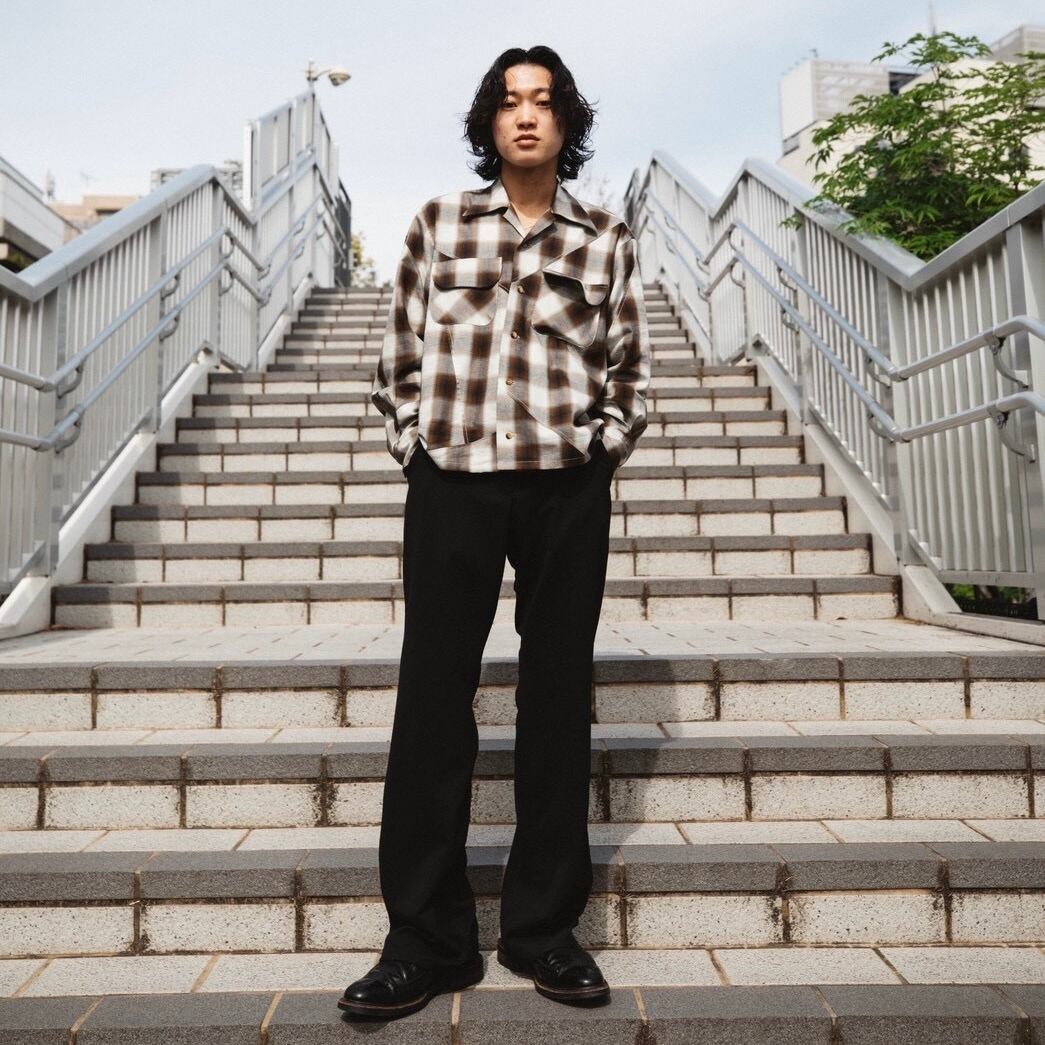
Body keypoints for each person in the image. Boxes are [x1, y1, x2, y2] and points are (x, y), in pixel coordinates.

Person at [339, 44, 650, 1021]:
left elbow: (630, 369)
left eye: (543, 101)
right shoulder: (438, 224)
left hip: (564, 486)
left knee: (556, 699)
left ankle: (542, 931)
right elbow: (395, 355)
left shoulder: (605, 236)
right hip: (455, 482)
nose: (525, 115)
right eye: (509, 101)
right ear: (489, 122)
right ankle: (425, 941)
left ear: (565, 123)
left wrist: (598, 452)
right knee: (433, 697)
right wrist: (417, 450)